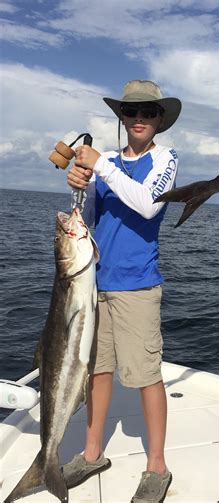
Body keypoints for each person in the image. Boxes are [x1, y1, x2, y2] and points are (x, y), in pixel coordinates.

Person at [62, 79, 181, 502]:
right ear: (122, 117)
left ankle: (157, 466)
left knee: (147, 376)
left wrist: (101, 167)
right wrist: (81, 181)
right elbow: (91, 214)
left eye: (148, 112)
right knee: (97, 371)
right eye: (131, 112)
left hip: (138, 287)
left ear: (159, 119)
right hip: (95, 283)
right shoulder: (106, 161)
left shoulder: (165, 159)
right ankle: (92, 452)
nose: (138, 119)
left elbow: (149, 203)